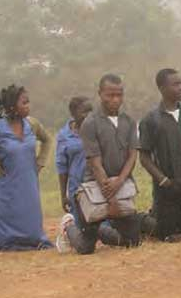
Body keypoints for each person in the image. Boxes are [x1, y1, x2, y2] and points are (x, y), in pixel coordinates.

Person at [60, 74, 142, 254]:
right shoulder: (90, 123)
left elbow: (132, 156)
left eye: (119, 94)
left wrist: (119, 181)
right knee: (85, 248)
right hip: (96, 188)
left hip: (120, 185)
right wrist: (110, 198)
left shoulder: (128, 121)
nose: (115, 99)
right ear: (100, 94)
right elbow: (95, 164)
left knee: (133, 241)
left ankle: (103, 232)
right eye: (110, 95)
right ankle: (68, 226)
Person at [140, 68, 181, 242]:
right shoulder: (151, 120)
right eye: (175, 84)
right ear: (162, 88)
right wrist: (163, 180)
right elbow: (144, 157)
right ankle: (142, 221)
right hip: (168, 189)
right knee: (170, 233)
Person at [0, 84, 53, 251]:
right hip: (8, 183)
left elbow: (47, 140)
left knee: (31, 218)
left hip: (29, 182)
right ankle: (7, 242)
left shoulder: (32, 124)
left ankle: (32, 240)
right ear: (11, 106)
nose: (28, 106)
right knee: (7, 219)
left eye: (28, 102)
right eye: (24, 102)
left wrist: (40, 162)